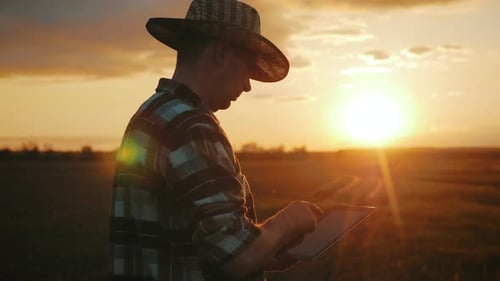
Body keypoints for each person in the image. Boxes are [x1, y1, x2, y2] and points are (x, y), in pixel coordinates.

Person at [108, 0, 323, 280]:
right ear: (221, 53)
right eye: (247, 68)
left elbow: (193, 242)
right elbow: (236, 257)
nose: (247, 85)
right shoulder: (192, 127)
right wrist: (289, 221)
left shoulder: (150, 113)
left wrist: (263, 252)